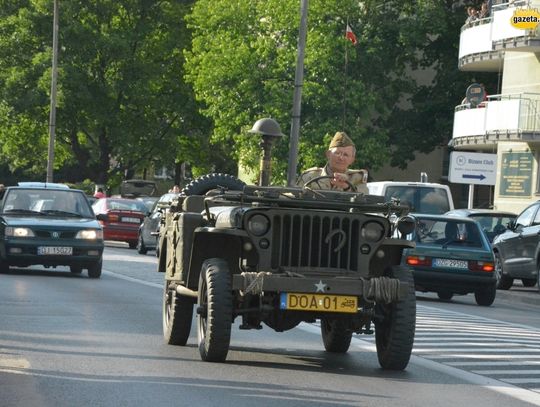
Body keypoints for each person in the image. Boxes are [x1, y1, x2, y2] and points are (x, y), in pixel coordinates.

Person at [296, 131, 368, 193]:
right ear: (328, 154)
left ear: (352, 160)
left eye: (346, 155)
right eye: (337, 153)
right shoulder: (310, 176)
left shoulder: (357, 178)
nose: (341, 157)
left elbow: (365, 199)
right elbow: (295, 198)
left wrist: (346, 187)